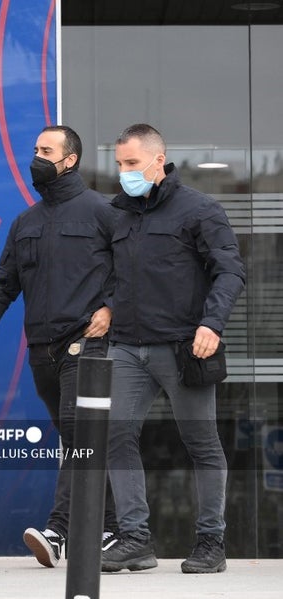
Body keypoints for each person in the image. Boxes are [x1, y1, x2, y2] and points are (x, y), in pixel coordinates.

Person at [0, 125, 118, 568]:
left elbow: (132, 270)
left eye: (46, 151)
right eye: (35, 149)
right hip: (41, 351)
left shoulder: (103, 212)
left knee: (78, 436)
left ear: (70, 160)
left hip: (85, 344)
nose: (37, 157)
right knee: (78, 440)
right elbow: (3, 283)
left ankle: (59, 530)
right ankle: (111, 527)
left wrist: (111, 308)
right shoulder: (25, 223)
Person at [101, 124, 245, 574]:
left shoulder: (200, 209)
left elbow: (230, 272)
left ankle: (211, 543)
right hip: (127, 347)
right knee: (114, 437)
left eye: (131, 163)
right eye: (119, 164)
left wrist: (212, 324)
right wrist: (105, 307)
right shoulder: (118, 215)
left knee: (201, 444)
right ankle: (135, 539)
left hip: (185, 349)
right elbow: (111, 277)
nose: (123, 172)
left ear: (158, 160)